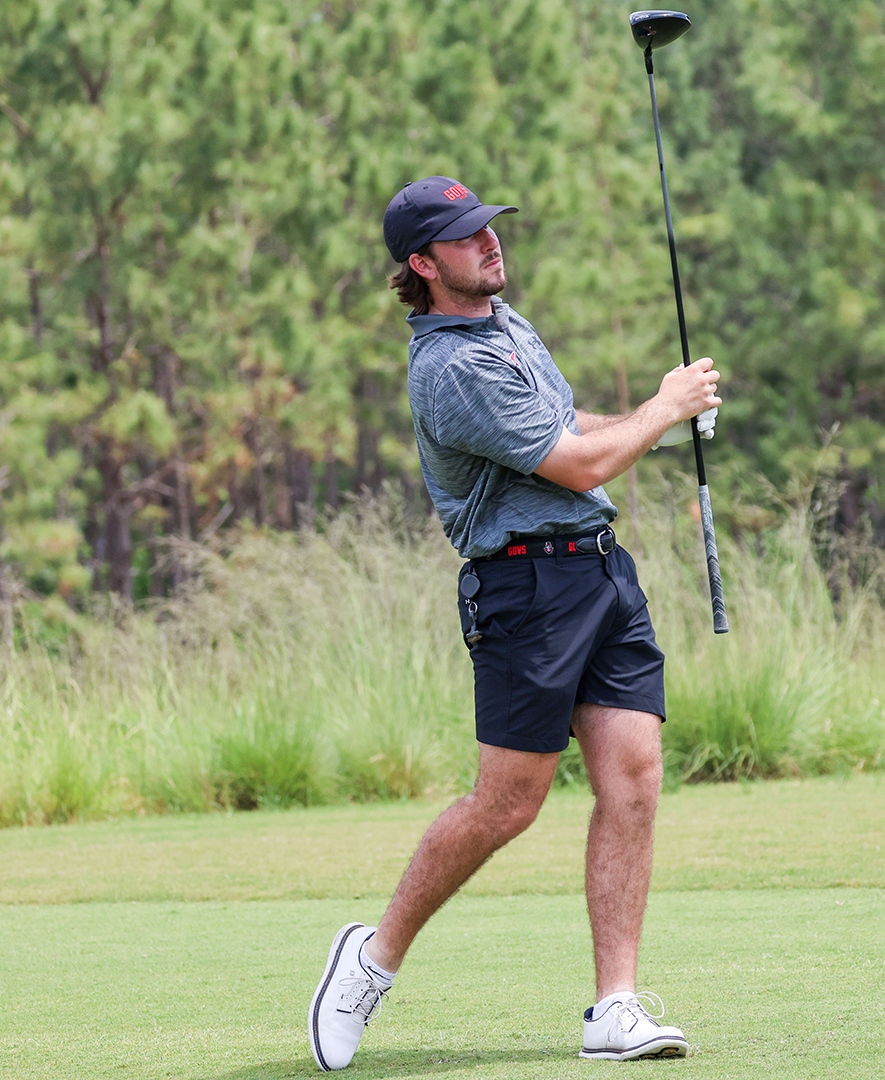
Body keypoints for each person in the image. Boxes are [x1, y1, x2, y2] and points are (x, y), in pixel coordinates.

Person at [307, 176, 722, 1071]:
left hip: (601, 573)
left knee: (636, 778)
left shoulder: (508, 326)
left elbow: (566, 424)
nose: (490, 244)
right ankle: (371, 960)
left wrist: (654, 421)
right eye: (465, 238)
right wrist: (664, 409)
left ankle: (615, 1006)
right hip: (524, 592)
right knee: (507, 805)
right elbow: (573, 462)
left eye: (490, 229)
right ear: (422, 264)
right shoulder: (450, 368)